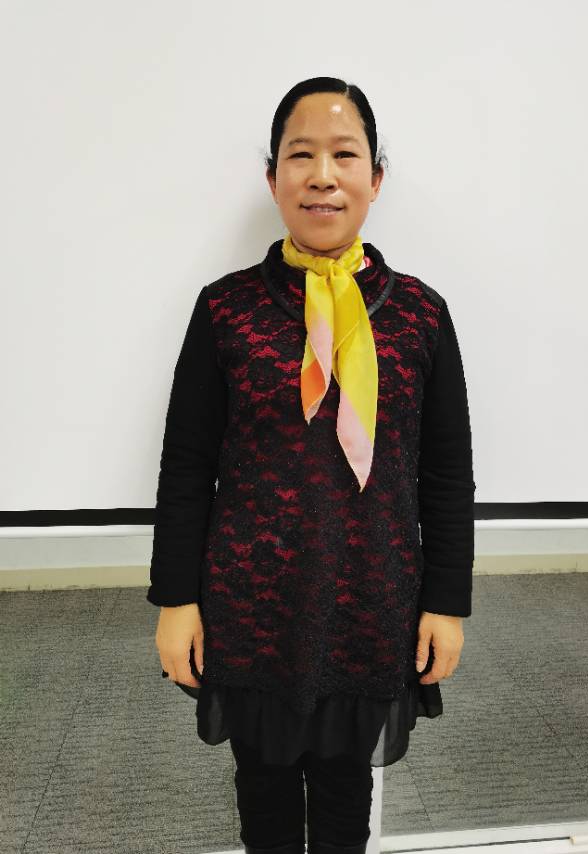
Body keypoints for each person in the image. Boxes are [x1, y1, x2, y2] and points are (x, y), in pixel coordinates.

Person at [147, 77, 476, 854]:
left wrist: (447, 602)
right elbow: (187, 466)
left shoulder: (421, 312)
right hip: (250, 605)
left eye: (344, 155)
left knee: (343, 799)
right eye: (301, 155)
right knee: (262, 801)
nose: (322, 175)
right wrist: (176, 600)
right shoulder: (225, 308)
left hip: (372, 600)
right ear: (273, 179)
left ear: (375, 178)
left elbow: (446, 474)